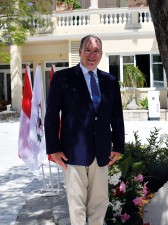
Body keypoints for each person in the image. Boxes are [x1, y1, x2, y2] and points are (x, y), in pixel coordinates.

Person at [45, 35, 125, 225]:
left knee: (100, 203)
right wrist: (53, 149)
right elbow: (51, 115)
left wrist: (119, 146)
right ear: (80, 52)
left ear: (101, 54)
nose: (92, 55)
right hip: (73, 153)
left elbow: (117, 116)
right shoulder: (63, 78)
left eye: (96, 51)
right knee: (77, 205)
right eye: (87, 50)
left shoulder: (110, 81)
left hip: (102, 152)